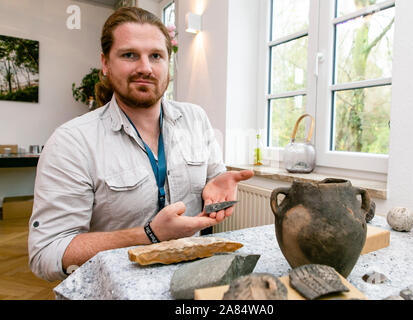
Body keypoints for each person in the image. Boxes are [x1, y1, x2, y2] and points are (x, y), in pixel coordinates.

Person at [28, 7, 254, 282]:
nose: (145, 68)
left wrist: (218, 184)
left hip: (192, 281)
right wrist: (148, 234)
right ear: (105, 63)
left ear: (168, 64)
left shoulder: (196, 119)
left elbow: (213, 180)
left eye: (156, 56)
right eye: (129, 55)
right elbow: (47, 253)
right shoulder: (71, 143)